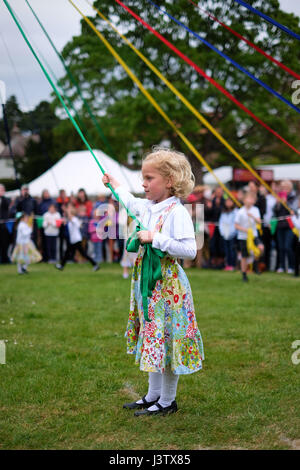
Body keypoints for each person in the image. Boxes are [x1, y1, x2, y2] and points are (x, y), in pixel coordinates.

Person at [102, 147, 204, 417]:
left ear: (169, 181)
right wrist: (114, 186)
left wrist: (155, 239)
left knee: (167, 340)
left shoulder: (176, 212)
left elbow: (190, 250)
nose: (143, 184)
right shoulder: (148, 206)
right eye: (142, 178)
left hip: (168, 287)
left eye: (149, 178)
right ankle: (152, 396)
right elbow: (128, 200)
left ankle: (168, 401)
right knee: (154, 337)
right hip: (148, 287)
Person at [55, 203, 99, 271]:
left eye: (69, 214)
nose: (68, 215)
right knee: (68, 253)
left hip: (76, 240)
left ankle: (95, 265)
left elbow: (71, 219)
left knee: (83, 254)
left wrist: (67, 210)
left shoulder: (74, 219)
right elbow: (67, 220)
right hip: (73, 240)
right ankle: (61, 265)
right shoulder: (71, 220)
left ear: (72, 214)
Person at [235, 192, 264, 282]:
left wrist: (252, 216)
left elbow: (259, 221)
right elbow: (236, 225)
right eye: (249, 198)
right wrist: (246, 230)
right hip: (243, 237)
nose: (251, 201)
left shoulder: (255, 210)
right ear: (244, 200)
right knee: (244, 256)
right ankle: (244, 274)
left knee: (261, 248)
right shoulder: (240, 212)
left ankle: (255, 264)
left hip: (254, 236)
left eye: (252, 199)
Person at [273, 180, 298, 274]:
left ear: (290, 188)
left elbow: (294, 210)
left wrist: (286, 202)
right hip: (280, 225)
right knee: (281, 247)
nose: (284, 190)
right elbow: (275, 212)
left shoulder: (293, 197)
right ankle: (282, 266)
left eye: (286, 188)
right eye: (283, 188)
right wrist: (278, 204)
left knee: (288, 247)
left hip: (290, 226)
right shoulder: (279, 197)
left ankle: (292, 266)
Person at [219, 198, 238, 271]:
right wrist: (223, 233)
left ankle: (233, 265)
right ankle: (228, 265)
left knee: (232, 250)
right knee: (226, 251)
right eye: (227, 201)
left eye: (230, 201)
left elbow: (235, 223)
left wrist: (231, 233)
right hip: (224, 234)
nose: (228, 203)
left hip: (232, 235)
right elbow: (221, 223)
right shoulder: (223, 212)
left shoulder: (236, 212)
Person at [0, 184, 11, 264]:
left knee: (5, 242)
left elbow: (7, 205)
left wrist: (2, 196)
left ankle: (5, 258)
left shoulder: (6, 199)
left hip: (4, 225)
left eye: (2, 190)